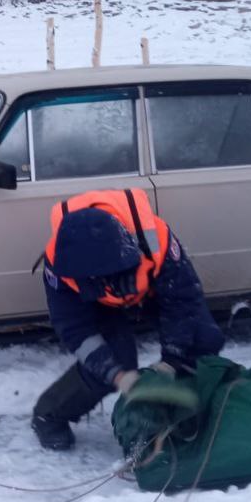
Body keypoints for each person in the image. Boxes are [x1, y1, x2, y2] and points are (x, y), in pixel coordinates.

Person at [31, 188, 225, 452]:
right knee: (111, 361)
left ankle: (181, 412)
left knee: (202, 339)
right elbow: (74, 327)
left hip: (151, 291)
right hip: (101, 306)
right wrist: (117, 374)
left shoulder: (159, 241)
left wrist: (172, 359)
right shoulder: (59, 264)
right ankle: (49, 415)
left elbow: (183, 302)